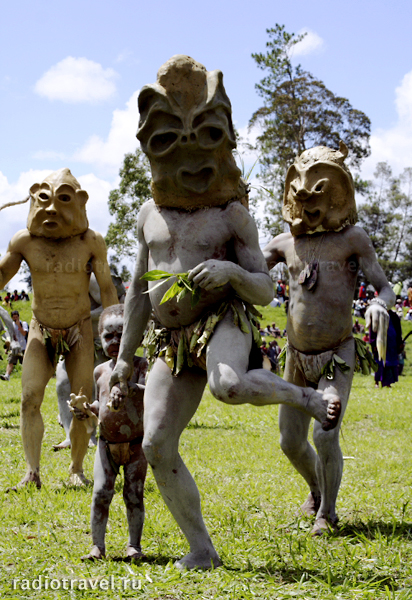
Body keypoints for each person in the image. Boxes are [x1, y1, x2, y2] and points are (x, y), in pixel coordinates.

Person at [109, 56, 341, 570]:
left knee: (229, 383)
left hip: (223, 320)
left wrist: (230, 273)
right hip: (170, 341)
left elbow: (263, 289)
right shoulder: (150, 214)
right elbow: (137, 294)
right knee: (157, 444)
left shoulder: (232, 213)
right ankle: (203, 549)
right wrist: (125, 360)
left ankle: (303, 395)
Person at [264, 142, 395, 535]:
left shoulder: (353, 239)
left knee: (325, 433)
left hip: (336, 355)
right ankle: (316, 490)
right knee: (289, 441)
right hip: (295, 358)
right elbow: (250, 268)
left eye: (318, 194)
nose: (307, 203)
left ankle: (328, 513)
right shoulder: (283, 244)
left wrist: (380, 306)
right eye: (300, 196)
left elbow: (384, 287)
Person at [0, 168, 118, 488]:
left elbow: (107, 290)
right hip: (41, 327)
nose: (52, 209)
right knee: (29, 398)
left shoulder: (91, 242)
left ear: (78, 203)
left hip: (79, 328)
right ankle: (32, 472)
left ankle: (76, 470)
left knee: (81, 403)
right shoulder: (23, 241)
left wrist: (115, 331)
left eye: (62, 200)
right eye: (44, 200)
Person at [74, 304, 148, 562]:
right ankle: (97, 547)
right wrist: (87, 410)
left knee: (134, 494)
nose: (115, 341)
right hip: (106, 443)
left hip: (136, 444)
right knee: (101, 492)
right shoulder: (100, 371)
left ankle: (134, 546)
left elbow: (152, 393)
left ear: (135, 337)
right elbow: (101, 403)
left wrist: (128, 386)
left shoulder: (141, 366)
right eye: (108, 336)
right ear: (99, 339)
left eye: (122, 335)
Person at [370, 310, 402, 388]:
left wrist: (399, 342)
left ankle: (388, 383)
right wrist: (373, 342)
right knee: (379, 362)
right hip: (380, 343)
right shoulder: (377, 315)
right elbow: (373, 329)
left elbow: (398, 330)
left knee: (389, 363)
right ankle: (377, 382)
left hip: (392, 343)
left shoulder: (394, 316)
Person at [0, 310, 29, 381]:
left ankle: (29, 377)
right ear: (12, 318)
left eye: (17, 317)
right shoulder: (10, 325)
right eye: (14, 317)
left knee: (26, 363)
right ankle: (7, 376)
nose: (15, 318)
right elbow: (9, 337)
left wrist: (19, 325)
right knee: (11, 362)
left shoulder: (23, 323)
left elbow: (24, 333)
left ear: (19, 316)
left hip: (23, 347)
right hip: (14, 347)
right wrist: (7, 348)